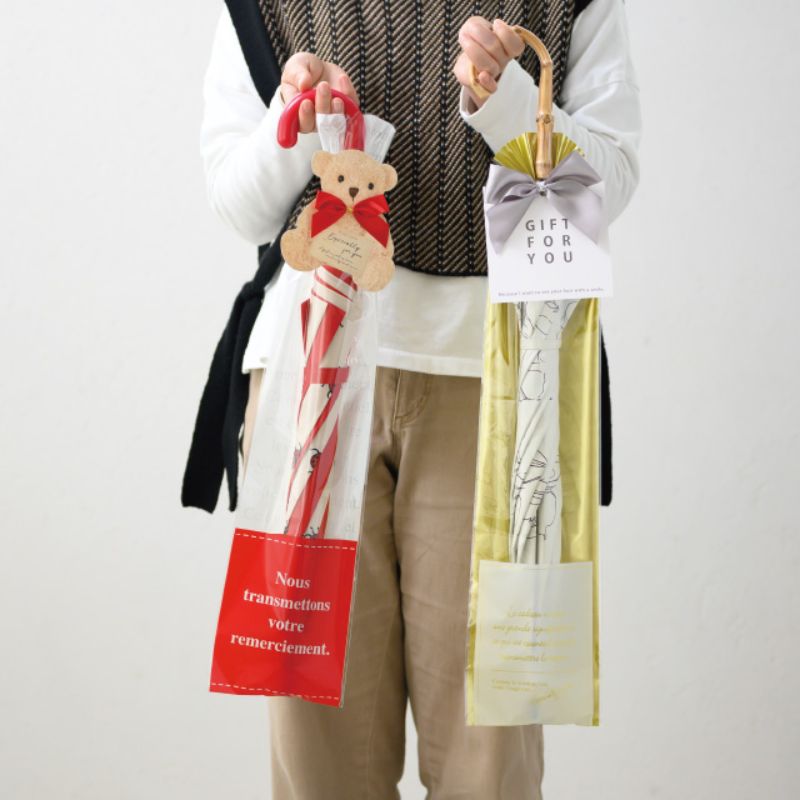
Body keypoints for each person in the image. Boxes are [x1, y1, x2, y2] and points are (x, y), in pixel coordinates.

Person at [198, 0, 640, 796]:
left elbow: (609, 187)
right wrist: (296, 120)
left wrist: (509, 101)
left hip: (496, 385)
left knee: (489, 762)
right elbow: (239, 204)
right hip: (312, 374)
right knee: (317, 761)